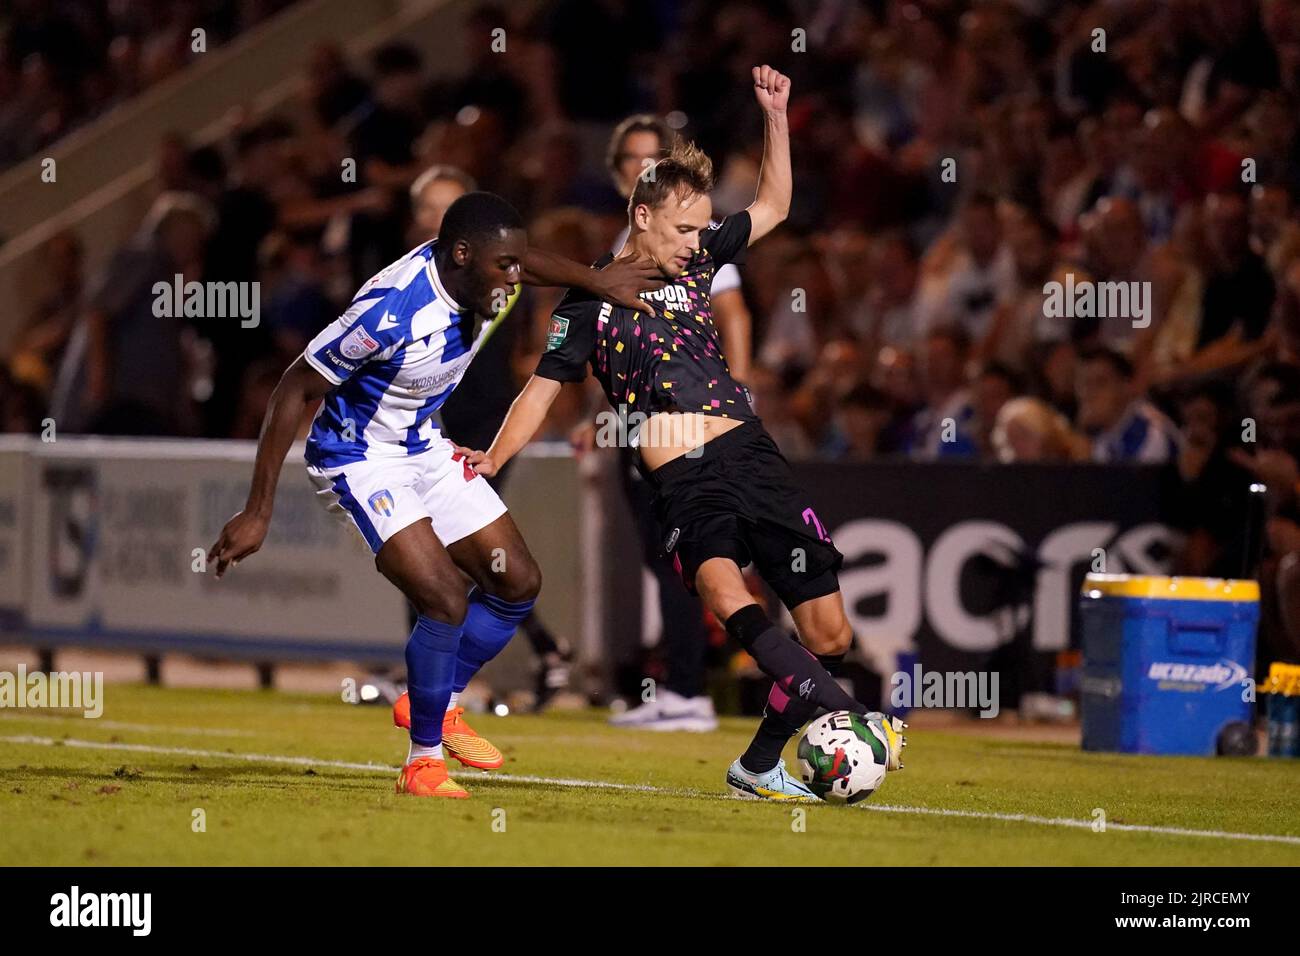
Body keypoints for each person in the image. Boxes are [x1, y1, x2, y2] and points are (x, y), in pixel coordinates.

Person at [460, 67, 906, 801]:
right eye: (685, 228)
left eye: (703, 229)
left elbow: (774, 204)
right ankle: (849, 714)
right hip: (682, 472)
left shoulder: (698, 265)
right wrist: (493, 455)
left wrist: (775, 117)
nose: (698, 242)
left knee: (830, 636)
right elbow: (541, 390)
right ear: (642, 217)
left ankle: (759, 764)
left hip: (753, 453)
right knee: (723, 587)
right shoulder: (590, 301)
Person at [208, 191, 662, 798]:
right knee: (444, 596)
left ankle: (436, 703)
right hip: (358, 460)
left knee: (517, 582)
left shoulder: (488, 274)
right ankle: (423, 762)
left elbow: (529, 263)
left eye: (516, 265)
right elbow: (293, 388)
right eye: (503, 267)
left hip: (424, 446)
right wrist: (258, 509)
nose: (514, 280)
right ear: (461, 256)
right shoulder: (391, 311)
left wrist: (599, 280)